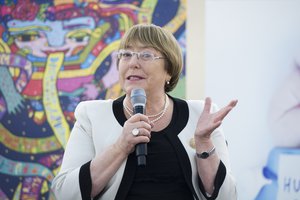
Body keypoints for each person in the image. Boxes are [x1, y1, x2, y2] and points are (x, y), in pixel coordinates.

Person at [51, 23, 238, 200]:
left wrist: (204, 143)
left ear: (169, 71)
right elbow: (65, 192)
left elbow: (227, 196)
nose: (133, 63)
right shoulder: (92, 115)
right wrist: (121, 146)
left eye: (146, 55)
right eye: (126, 54)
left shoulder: (200, 115)